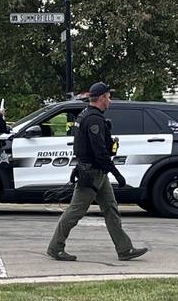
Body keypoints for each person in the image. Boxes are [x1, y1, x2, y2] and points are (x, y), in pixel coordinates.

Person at [47, 82, 147, 261]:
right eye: (108, 97)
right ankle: (56, 247)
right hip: (92, 173)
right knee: (76, 211)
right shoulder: (94, 119)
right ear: (101, 98)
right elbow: (99, 152)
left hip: (95, 172)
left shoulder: (85, 115)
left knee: (110, 209)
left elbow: (85, 146)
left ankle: (124, 249)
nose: (110, 100)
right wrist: (117, 173)